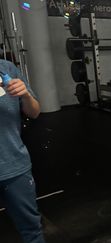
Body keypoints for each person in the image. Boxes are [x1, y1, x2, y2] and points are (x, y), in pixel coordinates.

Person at [0, 59, 45, 243]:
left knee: (32, 231)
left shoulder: (7, 68)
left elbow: (34, 112)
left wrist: (25, 95)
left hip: (15, 166)